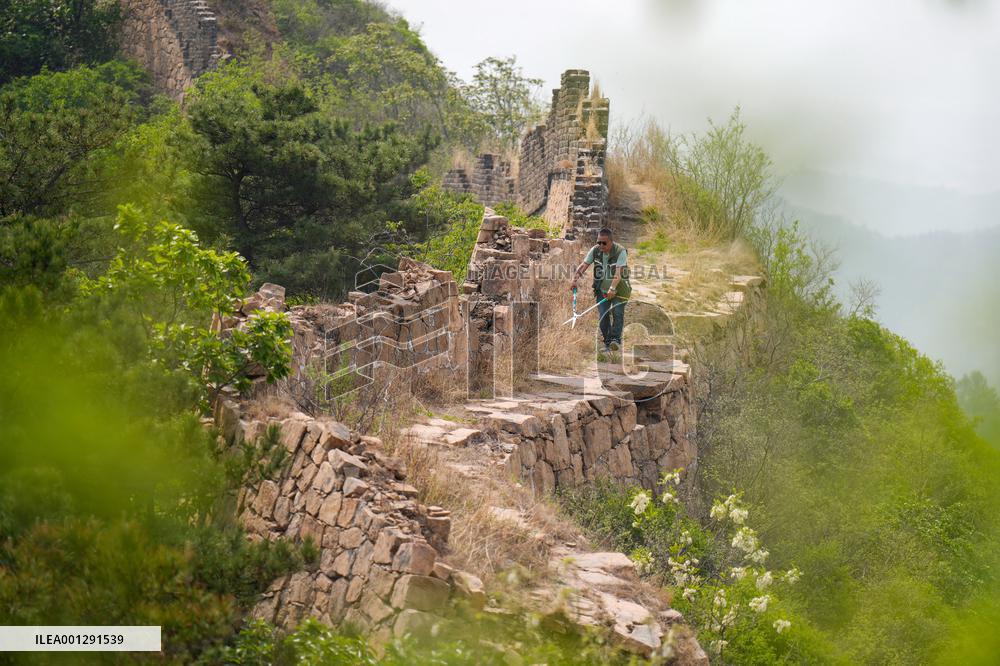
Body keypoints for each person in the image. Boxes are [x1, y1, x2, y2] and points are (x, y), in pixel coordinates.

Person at [570, 227, 631, 352]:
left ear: (611, 242)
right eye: (599, 242)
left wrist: (612, 288)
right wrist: (574, 280)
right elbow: (584, 265)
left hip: (620, 290)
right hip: (601, 290)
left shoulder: (620, 251)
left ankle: (615, 340)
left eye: (604, 243)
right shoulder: (595, 250)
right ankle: (608, 342)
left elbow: (618, 273)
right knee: (603, 316)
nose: (601, 245)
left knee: (617, 313)